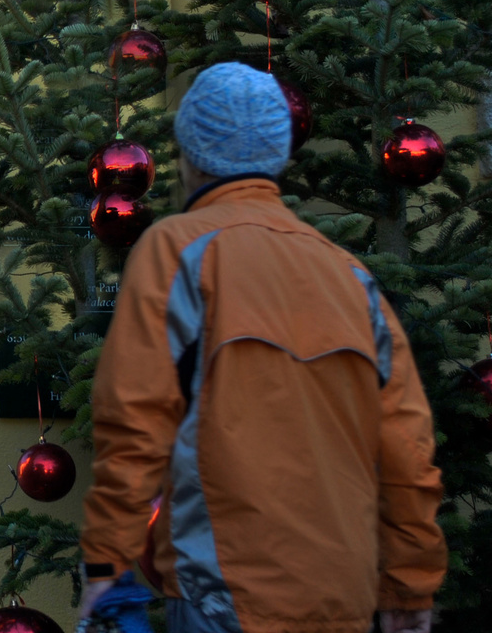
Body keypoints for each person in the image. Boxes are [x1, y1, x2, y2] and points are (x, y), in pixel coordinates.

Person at [79, 62, 448, 633]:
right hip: (342, 596)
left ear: (190, 156)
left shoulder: (177, 250)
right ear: (280, 155)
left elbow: (133, 418)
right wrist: (408, 586)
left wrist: (107, 560)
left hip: (222, 597)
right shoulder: (349, 276)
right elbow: (406, 447)